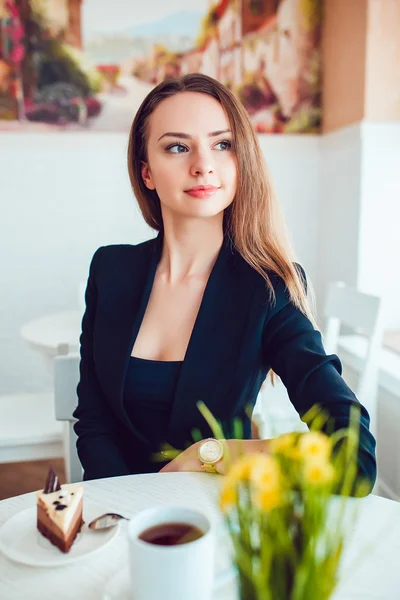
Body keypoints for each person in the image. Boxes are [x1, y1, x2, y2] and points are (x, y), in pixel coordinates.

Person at [73, 73, 376, 490]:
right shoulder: (109, 269)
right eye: (177, 147)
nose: (203, 165)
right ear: (147, 173)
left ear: (240, 161)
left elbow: (352, 454)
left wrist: (210, 454)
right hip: (113, 522)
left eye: (222, 144)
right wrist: (124, 508)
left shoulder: (269, 289)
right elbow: (93, 421)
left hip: (213, 525)